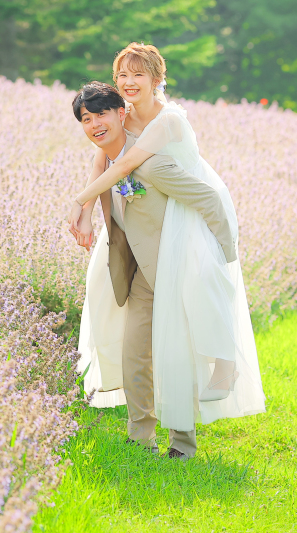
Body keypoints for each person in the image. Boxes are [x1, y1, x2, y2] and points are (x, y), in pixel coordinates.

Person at [70, 43, 266, 460]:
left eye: (137, 74)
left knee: (177, 349)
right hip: (140, 260)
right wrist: (86, 214)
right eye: (122, 75)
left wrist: (223, 257)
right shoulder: (119, 124)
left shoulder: (164, 131)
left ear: (157, 79)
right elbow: (105, 162)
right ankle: (141, 438)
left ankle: (183, 443)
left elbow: (198, 195)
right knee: (134, 349)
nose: (127, 82)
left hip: (180, 253)